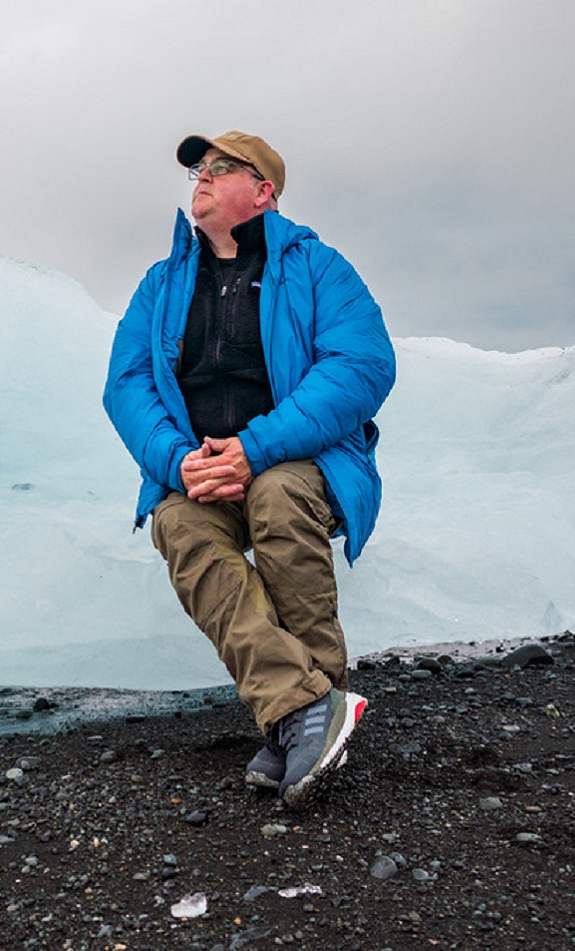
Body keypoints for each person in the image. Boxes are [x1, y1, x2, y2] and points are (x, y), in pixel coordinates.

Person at [103, 130, 396, 808]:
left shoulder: (318, 268)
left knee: (277, 498)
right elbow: (127, 384)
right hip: (200, 471)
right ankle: (304, 713)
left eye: (219, 168)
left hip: (301, 461)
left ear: (262, 191)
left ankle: (307, 717)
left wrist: (254, 448)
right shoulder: (164, 282)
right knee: (179, 525)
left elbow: (361, 366)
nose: (200, 179)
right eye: (196, 171)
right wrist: (179, 463)